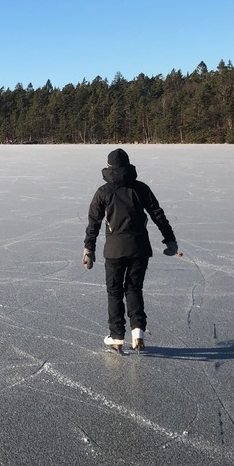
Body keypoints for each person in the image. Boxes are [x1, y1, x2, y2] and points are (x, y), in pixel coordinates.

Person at [82, 148, 178, 351]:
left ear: (108, 167)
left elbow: (93, 223)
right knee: (134, 288)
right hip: (139, 249)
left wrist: (88, 250)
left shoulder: (103, 192)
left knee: (115, 291)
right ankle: (138, 333)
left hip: (114, 251)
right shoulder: (140, 188)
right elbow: (157, 214)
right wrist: (170, 240)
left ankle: (117, 337)